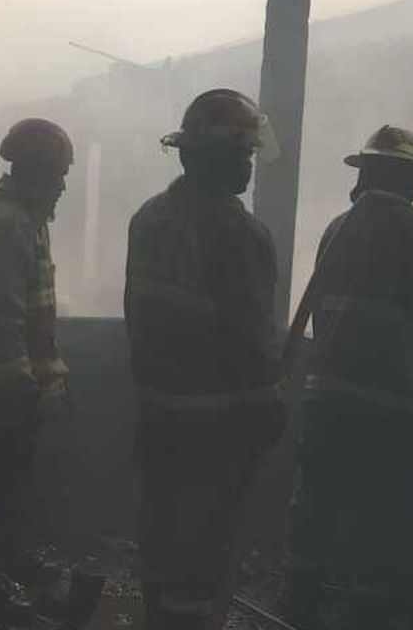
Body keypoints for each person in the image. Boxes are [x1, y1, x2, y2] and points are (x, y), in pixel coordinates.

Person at [124, 89, 288, 630]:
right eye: (243, 154)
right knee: (205, 555)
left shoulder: (148, 219)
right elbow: (253, 336)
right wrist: (270, 406)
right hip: (218, 427)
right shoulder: (238, 233)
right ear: (218, 159)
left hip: (156, 414)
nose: (248, 165)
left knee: (162, 543)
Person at [284, 124, 413, 627]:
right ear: (412, 180)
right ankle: (366, 612)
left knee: (314, 503)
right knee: (379, 513)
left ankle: (299, 603)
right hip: (390, 397)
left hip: (325, 392)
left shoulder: (338, 226)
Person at [0, 118, 73, 626]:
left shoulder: (26, 223)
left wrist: (51, 378)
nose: (64, 187)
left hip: (17, 393)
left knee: (8, 489)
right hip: (3, 396)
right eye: (59, 175)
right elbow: (1, 319)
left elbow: (32, 319)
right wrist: (19, 387)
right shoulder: (9, 227)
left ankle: (4, 566)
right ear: (35, 174)